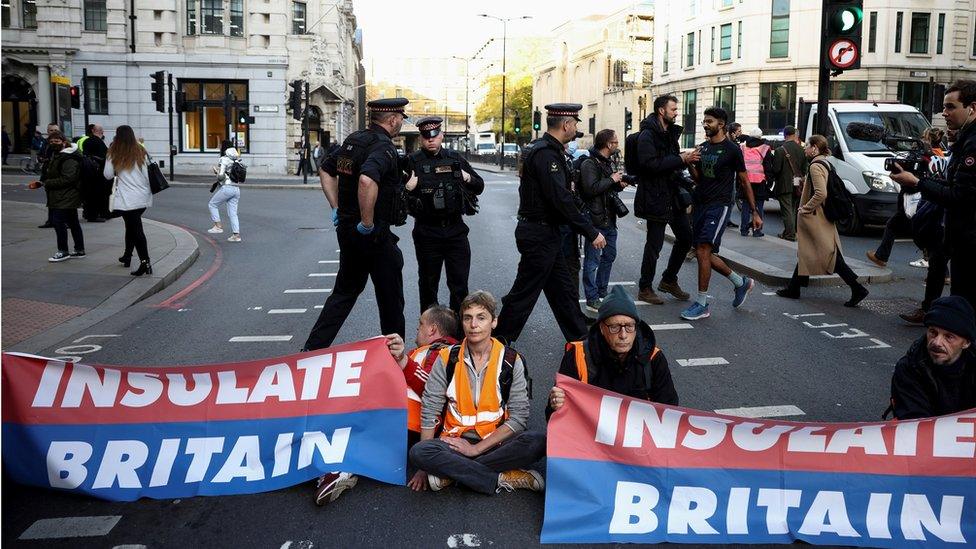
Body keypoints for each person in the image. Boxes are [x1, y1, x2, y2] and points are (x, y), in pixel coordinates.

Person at [314, 305, 460, 504]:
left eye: (420, 324)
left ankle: (340, 471)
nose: (417, 330)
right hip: (403, 415)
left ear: (432, 330)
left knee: (354, 432)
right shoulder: (424, 352)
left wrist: (404, 361)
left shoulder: (442, 351)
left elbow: (433, 388)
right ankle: (336, 469)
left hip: (412, 419)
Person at [409, 291, 545, 494]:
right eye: (468, 318)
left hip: (496, 441)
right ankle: (500, 478)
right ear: (462, 323)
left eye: (481, 318)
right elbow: (430, 408)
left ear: (494, 322)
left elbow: (518, 418)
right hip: (453, 442)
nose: (474, 325)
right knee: (419, 452)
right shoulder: (446, 358)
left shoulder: (511, 359)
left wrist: (475, 450)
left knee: (537, 441)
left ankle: (450, 474)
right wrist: (424, 465)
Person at [302, 98, 409, 351]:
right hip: (373, 235)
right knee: (391, 299)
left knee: (344, 293)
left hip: (347, 232)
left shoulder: (353, 140)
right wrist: (368, 222)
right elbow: (366, 180)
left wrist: (336, 207)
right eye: (401, 118)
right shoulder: (383, 148)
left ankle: (312, 350)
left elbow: (326, 170)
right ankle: (395, 361)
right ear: (393, 119)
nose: (402, 123)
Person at [494, 103, 606, 344]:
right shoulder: (547, 154)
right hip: (539, 234)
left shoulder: (547, 150)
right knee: (524, 295)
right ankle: (496, 344)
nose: (575, 127)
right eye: (575, 123)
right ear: (566, 125)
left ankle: (581, 345)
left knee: (564, 294)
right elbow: (560, 199)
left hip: (545, 233)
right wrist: (590, 230)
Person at [889, 79, 976, 311]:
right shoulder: (964, 140)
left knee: (964, 309)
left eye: (950, 107)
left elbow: (959, 195)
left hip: (968, 242)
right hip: (958, 237)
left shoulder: (972, 144)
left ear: (972, 108)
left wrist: (917, 182)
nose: (944, 113)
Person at [548, 286, 679, 416]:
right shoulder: (578, 355)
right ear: (601, 328)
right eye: (614, 327)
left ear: (636, 327)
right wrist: (555, 405)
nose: (623, 335)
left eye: (629, 326)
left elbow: (669, 412)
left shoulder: (654, 358)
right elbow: (554, 418)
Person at [681, 107, 759, 321]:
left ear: (721, 124)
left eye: (709, 121)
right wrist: (690, 163)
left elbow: (744, 180)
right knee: (701, 252)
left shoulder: (732, 150)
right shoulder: (703, 148)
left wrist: (754, 212)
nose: (705, 125)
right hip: (700, 204)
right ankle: (740, 282)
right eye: (704, 121)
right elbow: (699, 179)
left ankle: (702, 303)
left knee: (704, 249)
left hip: (719, 205)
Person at [404, 116, 485, 314]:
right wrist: (407, 187)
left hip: (455, 230)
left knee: (459, 286)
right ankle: (431, 334)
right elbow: (396, 197)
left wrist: (467, 178)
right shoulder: (412, 162)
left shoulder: (454, 159)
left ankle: (457, 333)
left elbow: (480, 185)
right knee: (428, 286)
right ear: (421, 139)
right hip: (427, 231)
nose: (430, 140)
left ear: (441, 135)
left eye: (434, 135)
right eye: (426, 137)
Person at [775, 135, 869, 306]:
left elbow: (821, 193)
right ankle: (794, 287)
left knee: (828, 255)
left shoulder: (815, 166)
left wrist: (806, 208)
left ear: (815, 148)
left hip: (815, 216)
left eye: (808, 146)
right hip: (821, 215)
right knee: (808, 251)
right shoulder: (826, 162)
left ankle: (857, 288)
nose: (805, 148)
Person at [631, 94, 699, 305]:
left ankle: (669, 279)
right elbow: (649, 164)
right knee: (654, 245)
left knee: (686, 238)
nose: (676, 112)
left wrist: (686, 171)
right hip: (655, 196)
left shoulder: (669, 133)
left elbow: (671, 166)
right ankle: (645, 287)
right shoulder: (648, 135)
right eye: (673, 109)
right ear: (662, 110)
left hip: (671, 195)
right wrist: (681, 158)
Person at [889, 296, 975, 420]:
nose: (937, 343)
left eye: (948, 337)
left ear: (966, 343)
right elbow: (914, 424)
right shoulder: (910, 368)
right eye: (933, 332)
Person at [579, 129, 627, 312]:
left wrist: (618, 184)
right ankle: (592, 298)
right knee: (592, 262)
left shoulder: (606, 163)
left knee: (609, 256)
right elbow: (590, 189)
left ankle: (602, 291)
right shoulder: (589, 163)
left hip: (609, 220)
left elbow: (607, 190)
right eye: (615, 142)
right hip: (595, 220)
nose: (617, 145)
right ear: (608, 144)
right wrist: (612, 179)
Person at [103, 125, 153, 276]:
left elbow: (107, 175)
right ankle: (127, 256)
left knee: (136, 229)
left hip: (127, 197)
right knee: (131, 226)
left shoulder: (114, 152)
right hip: (143, 195)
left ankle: (145, 262)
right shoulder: (141, 150)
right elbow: (147, 174)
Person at [28, 131, 85, 262]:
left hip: (66, 195)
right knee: (73, 222)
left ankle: (63, 251)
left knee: (58, 222)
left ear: (64, 142)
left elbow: (69, 178)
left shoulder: (69, 157)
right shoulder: (58, 154)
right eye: (51, 141)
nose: (53, 144)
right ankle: (79, 250)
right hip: (62, 195)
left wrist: (47, 183)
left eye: (57, 141)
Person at [770, 126, 806, 241]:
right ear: (795, 134)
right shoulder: (802, 149)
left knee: (787, 210)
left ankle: (790, 234)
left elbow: (776, 169)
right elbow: (805, 169)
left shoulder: (781, 150)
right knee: (794, 209)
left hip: (784, 184)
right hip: (797, 184)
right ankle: (792, 231)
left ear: (785, 135)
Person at [208, 142, 244, 242]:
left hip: (227, 187)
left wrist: (216, 171)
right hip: (236, 188)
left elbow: (221, 176)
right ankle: (236, 235)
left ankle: (217, 226)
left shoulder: (224, 159)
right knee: (233, 213)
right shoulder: (237, 159)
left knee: (212, 204)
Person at [739, 128, 771, 237]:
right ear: (760, 136)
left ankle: (744, 229)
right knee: (759, 205)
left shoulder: (742, 147)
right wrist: (769, 181)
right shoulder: (765, 148)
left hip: (745, 180)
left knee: (746, 205)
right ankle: (757, 230)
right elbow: (767, 167)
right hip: (760, 180)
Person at [79, 124, 111, 222]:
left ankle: (89, 213)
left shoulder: (86, 141)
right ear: (93, 130)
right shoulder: (98, 142)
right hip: (98, 173)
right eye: (100, 130)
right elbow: (103, 158)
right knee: (98, 194)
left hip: (89, 172)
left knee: (90, 194)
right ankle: (97, 214)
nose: (102, 132)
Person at [37, 123, 61, 229]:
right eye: (51, 130)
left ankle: (61, 221)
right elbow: (41, 156)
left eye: (55, 130)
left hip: (59, 175)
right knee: (50, 199)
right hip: (48, 174)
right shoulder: (46, 143)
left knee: (60, 200)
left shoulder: (62, 143)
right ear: (48, 132)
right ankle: (51, 220)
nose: (54, 132)